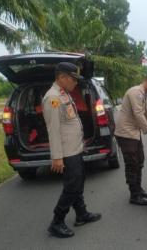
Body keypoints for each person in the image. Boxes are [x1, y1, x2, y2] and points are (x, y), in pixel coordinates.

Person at [43, 62, 101, 238]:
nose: (75, 82)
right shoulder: (52, 97)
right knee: (72, 187)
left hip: (74, 148)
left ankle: (81, 214)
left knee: (78, 183)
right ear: (61, 78)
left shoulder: (63, 94)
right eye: (72, 79)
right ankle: (57, 221)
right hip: (67, 152)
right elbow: (53, 130)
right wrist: (57, 158)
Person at [115, 72, 147, 206]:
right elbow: (139, 114)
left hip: (134, 133)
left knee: (140, 161)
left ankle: (138, 189)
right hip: (126, 133)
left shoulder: (144, 95)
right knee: (132, 164)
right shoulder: (135, 92)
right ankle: (134, 195)